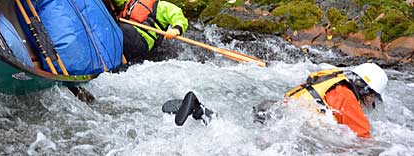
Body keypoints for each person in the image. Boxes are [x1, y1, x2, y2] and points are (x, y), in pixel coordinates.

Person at [165, 63, 388, 139]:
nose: (369, 105)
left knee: (242, 135)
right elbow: (361, 141)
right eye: (372, 100)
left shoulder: (330, 79)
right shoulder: (345, 94)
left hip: (273, 107)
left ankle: (202, 112)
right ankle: (202, 113)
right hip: (288, 118)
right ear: (366, 90)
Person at [101, 0, 188, 62]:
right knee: (115, 29)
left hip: (142, 39)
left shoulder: (163, 6)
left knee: (118, 30)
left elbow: (178, 17)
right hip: (127, 31)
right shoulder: (134, 1)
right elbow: (123, 1)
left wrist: (176, 30)